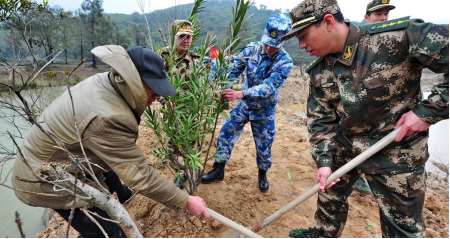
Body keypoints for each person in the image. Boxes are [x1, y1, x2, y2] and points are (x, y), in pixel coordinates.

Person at [282, 0, 448, 237]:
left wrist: (427, 113)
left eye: (304, 35)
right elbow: (321, 120)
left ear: (328, 22)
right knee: (329, 202)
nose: (301, 45)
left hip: (396, 149)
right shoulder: (319, 71)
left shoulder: (399, 37)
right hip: (345, 145)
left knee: (402, 228)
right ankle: (323, 233)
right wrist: (325, 161)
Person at [11, 45, 210, 237]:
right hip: (39, 178)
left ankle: (122, 195)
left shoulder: (109, 81)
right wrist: (185, 201)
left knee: (109, 166)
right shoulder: (107, 117)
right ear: (132, 80)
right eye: (154, 89)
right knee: (107, 232)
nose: (157, 97)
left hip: (62, 155)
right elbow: (139, 174)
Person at [201, 14, 294, 193]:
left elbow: (268, 88)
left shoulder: (285, 62)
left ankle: (262, 174)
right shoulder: (252, 50)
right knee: (227, 132)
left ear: (282, 42)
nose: (268, 48)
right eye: (267, 43)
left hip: (264, 110)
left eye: (273, 45)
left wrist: (240, 93)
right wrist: (220, 85)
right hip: (244, 105)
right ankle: (218, 169)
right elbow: (233, 69)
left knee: (264, 145)